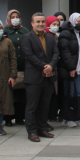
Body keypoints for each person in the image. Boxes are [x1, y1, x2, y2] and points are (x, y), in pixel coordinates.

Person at [21, 13, 58, 141]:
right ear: (32, 24)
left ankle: (42, 128)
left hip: (48, 77)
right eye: (38, 22)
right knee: (32, 106)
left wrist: (51, 66)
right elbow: (30, 56)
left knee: (45, 104)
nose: (41, 24)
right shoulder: (27, 38)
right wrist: (45, 67)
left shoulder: (49, 37)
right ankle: (31, 131)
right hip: (34, 78)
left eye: (42, 21)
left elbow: (55, 53)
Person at [59, 13, 80, 128]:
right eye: (78, 21)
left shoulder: (79, 33)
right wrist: (71, 68)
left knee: (78, 94)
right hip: (70, 70)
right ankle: (67, 118)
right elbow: (65, 53)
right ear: (72, 21)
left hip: (78, 70)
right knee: (70, 94)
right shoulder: (66, 34)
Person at [4, 9, 29, 127]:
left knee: (22, 94)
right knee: (10, 95)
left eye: (17, 17)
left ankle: (20, 117)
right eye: (12, 17)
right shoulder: (5, 31)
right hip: (10, 68)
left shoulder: (24, 31)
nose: (15, 19)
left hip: (23, 67)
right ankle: (8, 118)